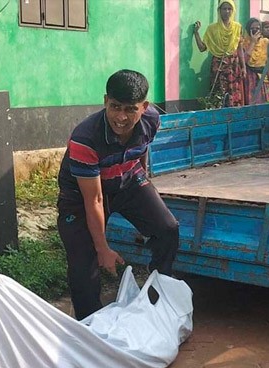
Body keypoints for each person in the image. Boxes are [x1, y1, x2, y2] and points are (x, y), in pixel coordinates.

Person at [56, 70, 179, 320]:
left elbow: (141, 151)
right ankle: (89, 326)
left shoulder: (152, 120)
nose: (121, 117)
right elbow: (95, 200)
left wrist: (144, 185)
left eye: (130, 109)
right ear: (105, 101)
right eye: (115, 107)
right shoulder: (85, 139)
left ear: (144, 107)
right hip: (82, 196)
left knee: (168, 228)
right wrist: (103, 249)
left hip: (127, 179)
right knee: (84, 267)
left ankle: (158, 293)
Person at [193, 0, 246, 108]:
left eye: (229, 9)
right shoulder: (212, 29)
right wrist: (196, 33)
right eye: (224, 9)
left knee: (234, 91)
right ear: (219, 11)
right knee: (218, 92)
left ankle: (234, 116)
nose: (227, 11)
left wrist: (243, 67)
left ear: (233, 10)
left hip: (233, 65)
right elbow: (202, 48)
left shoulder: (237, 27)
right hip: (218, 65)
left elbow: (239, 48)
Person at [243, 17, 268, 104]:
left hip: (263, 76)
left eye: (257, 28)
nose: (255, 31)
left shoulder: (265, 42)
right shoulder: (244, 43)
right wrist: (253, 42)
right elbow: (245, 60)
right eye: (252, 29)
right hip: (250, 77)